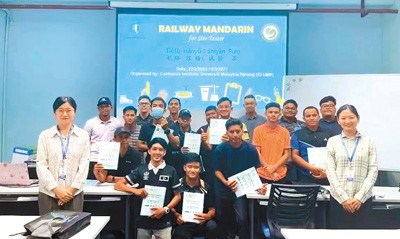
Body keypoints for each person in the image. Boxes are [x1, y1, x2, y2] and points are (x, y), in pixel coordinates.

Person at [114, 138, 181, 239]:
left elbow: (177, 196)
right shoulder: (141, 170)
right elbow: (118, 185)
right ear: (149, 151)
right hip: (143, 222)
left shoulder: (171, 171)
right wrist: (135, 191)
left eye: (160, 149)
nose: (157, 152)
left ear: (164, 152)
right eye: (154, 149)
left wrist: (165, 209)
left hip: (164, 221)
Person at [326, 104, 378, 229]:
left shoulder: (369, 141)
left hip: (362, 201)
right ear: (338, 120)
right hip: (338, 200)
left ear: (358, 119)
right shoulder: (333, 141)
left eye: (351, 117)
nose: (347, 121)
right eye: (343, 118)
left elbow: (373, 170)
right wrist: (343, 198)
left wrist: (359, 198)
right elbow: (330, 170)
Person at [36, 96, 90, 214]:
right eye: (60, 110)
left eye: (69, 110)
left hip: (74, 194)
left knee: (73, 231)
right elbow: (41, 165)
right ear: (54, 113)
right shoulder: (45, 136)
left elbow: (84, 165)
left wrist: (70, 191)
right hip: (49, 193)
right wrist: (56, 190)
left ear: (74, 112)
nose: (65, 114)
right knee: (47, 230)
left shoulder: (83, 136)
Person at [214, 118, 266, 239]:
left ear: (243, 131)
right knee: (224, 220)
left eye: (238, 131)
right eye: (232, 132)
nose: (235, 134)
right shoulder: (220, 149)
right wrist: (226, 182)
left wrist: (258, 186)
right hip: (224, 189)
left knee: (242, 219)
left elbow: (255, 171)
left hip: (242, 191)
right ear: (227, 133)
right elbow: (217, 170)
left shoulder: (251, 149)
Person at [172, 153, 218, 239]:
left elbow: (212, 209)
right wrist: (176, 216)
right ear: (184, 168)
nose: (192, 170)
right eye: (189, 167)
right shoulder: (177, 186)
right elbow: (171, 207)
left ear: (200, 169)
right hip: (184, 223)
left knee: (212, 226)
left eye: (196, 167)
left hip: (202, 222)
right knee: (179, 235)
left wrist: (207, 216)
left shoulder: (206, 187)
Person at [291, 106, 334, 185]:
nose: (311, 118)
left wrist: (326, 172)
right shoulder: (297, 134)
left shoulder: (329, 133)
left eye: (314, 115)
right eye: (308, 116)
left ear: (319, 117)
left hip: (326, 176)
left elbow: (334, 154)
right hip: (304, 177)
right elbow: (294, 156)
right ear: (304, 118)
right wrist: (311, 168)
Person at [253, 102, 290, 183]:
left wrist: (273, 168)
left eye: (276, 112)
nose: (273, 114)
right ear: (265, 113)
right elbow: (257, 152)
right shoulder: (258, 130)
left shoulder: (285, 132)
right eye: (270, 112)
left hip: (280, 174)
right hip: (262, 173)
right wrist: (268, 169)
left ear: (280, 114)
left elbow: (287, 154)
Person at [137, 97, 180, 165]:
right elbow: (139, 146)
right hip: (150, 164)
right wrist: (155, 149)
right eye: (154, 106)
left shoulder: (171, 124)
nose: (157, 108)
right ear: (151, 109)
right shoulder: (146, 126)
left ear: (164, 110)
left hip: (168, 163)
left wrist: (166, 129)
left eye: (160, 106)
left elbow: (177, 144)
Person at [84, 96, 122, 162]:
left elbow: (121, 139)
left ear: (111, 107)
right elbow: (84, 141)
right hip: (94, 158)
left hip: (111, 157)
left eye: (107, 106)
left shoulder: (118, 123)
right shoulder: (90, 123)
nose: (104, 108)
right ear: (98, 108)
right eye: (102, 107)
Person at [196, 106, 218, 184]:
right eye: (208, 114)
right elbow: (195, 149)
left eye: (213, 113)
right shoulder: (201, 130)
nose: (211, 116)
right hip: (206, 169)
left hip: (222, 168)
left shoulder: (225, 128)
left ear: (217, 113)